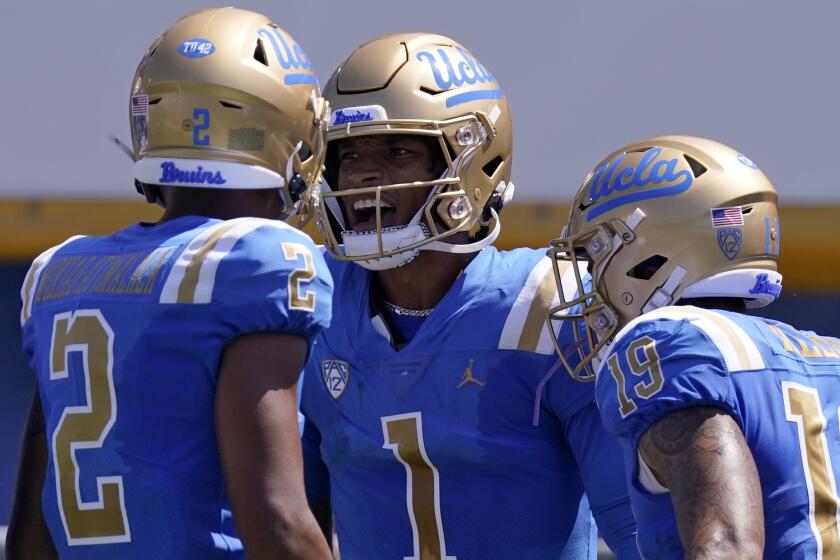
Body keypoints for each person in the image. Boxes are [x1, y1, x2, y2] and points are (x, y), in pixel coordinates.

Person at [6, 8, 333, 560]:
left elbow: (31, 535)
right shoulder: (258, 259)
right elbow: (275, 518)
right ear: (287, 132)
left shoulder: (58, 272)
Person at [300, 32, 639, 559]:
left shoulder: (549, 305)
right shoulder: (312, 299)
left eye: (398, 151)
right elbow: (287, 519)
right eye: (349, 155)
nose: (365, 173)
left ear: (472, 164)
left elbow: (636, 527)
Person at [546, 134, 840, 558]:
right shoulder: (824, 354)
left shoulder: (667, 341)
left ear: (648, 255)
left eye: (594, 258)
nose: (590, 285)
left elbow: (726, 546)